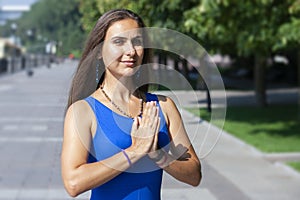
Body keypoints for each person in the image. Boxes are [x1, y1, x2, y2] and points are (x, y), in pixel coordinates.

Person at [61, 9, 201, 200]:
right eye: (119, 42)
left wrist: (159, 155)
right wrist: (134, 152)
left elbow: (194, 175)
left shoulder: (164, 106)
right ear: (100, 51)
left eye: (137, 42)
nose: (131, 51)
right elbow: (73, 183)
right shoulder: (83, 111)